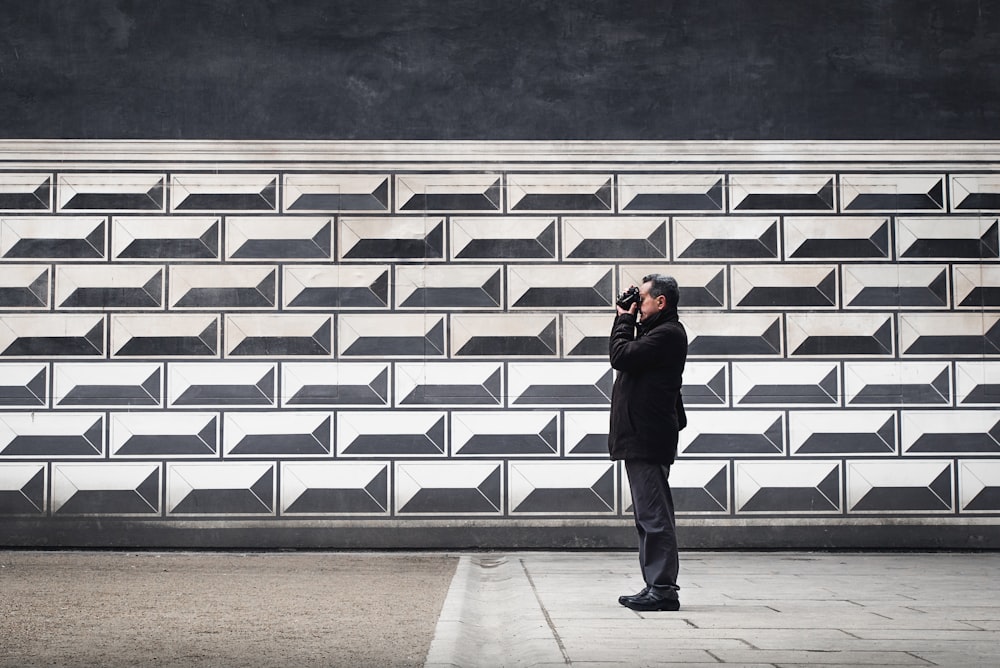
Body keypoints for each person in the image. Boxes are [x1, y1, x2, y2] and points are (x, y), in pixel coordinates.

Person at [609, 273, 687, 612]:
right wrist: (631, 316)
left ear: (661, 302)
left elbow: (621, 356)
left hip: (648, 437)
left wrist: (624, 320)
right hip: (641, 436)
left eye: (641, 298)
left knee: (654, 516)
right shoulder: (659, 332)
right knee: (647, 516)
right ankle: (655, 585)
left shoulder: (669, 334)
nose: (636, 304)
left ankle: (664, 589)